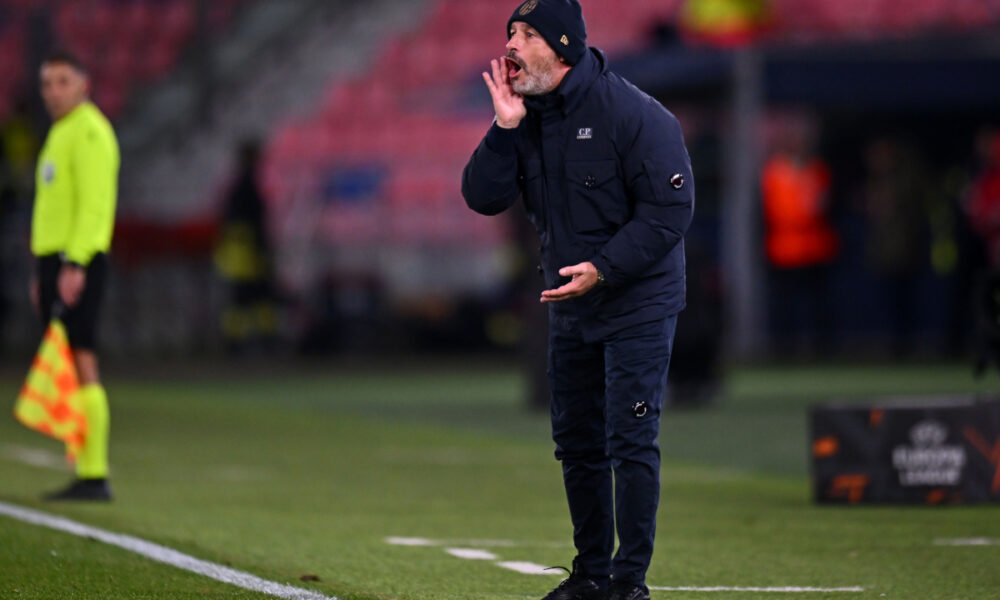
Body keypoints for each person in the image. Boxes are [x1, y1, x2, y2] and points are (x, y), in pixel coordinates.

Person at [461, 2, 695, 598]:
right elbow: (482, 198)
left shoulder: (636, 115)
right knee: (577, 443)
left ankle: (628, 583)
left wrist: (605, 267)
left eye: (527, 34)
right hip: (571, 305)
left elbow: (671, 212)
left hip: (636, 300)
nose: (511, 44)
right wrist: (504, 127)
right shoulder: (526, 117)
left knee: (630, 440)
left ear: (562, 48)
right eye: (509, 32)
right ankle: (591, 575)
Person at [30, 51, 120, 501]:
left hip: (75, 259)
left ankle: (94, 473)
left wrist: (76, 262)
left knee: (83, 357)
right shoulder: (60, 132)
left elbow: (94, 204)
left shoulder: (89, 132)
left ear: (84, 84)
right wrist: (41, 269)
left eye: (62, 81)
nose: (53, 91)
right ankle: (84, 465)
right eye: (47, 83)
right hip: (55, 260)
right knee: (69, 360)